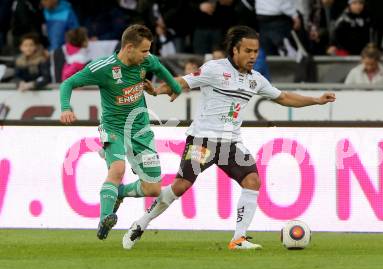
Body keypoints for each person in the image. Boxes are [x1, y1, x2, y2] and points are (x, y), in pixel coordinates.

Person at [122, 25, 336, 250]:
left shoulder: (256, 80)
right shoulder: (215, 69)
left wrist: (316, 100)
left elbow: (283, 97)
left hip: (230, 143)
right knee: (181, 186)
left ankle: (238, 239)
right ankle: (141, 223)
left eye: (256, 51)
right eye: (248, 51)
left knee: (252, 181)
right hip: (202, 140)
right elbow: (183, 82)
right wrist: (158, 90)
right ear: (235, 50)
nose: (253, 56)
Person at [59, 24, 182, 240]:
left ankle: (120, 193)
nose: (148, 55)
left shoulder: (146, 61)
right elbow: (68, 83)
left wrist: (175, 87)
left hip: (140, 129)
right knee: (117, 169)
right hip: (113, 127)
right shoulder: (103, 67)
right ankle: (105, 218)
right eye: (144, 50)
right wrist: (66, 108)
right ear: (129, 48)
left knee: (153, 189)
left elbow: (161, 69)